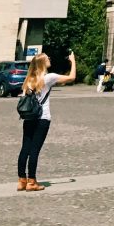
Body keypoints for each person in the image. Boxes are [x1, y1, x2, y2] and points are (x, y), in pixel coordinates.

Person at [17, 49, 76, 190]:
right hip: (42, 118)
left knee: (25, 149)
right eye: (47, 58)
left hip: (29, 117)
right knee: (35, 150)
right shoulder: (48, 78)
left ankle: (21, 181)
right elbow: (71, 77)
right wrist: (73, 61)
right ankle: (32, 182)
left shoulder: (28, 80)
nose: (49, 58)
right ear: (43, 63)